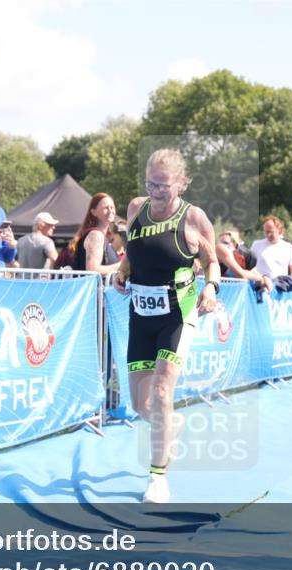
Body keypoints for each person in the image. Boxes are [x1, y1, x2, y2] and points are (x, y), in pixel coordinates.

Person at [112, 149, 219, 503]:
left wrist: (211, 287)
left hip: (178, 312)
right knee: (141, 405)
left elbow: (212, 261)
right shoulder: (135, 209)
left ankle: (158, 479)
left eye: (164, 186)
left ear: (182, 183)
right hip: (141, 315)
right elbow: (133, 251)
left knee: (161, 394)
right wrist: (121, 273)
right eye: (150, 184)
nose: (156, 192)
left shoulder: (194, 218)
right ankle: (170, 424)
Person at [70, 193, 122, 275]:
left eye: (112, 207)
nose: (110, 211)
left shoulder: (104, 238)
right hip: (94, 288)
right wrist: (123, 265)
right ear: (93, 212)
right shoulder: (95, 236)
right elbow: (92, 270)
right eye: (105, 208)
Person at [250, 216, 292, 292]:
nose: (268, 235)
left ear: (279, 231)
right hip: (260, 287)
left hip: (280, 290)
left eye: (271, 232)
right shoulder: (256, 245)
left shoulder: (288, 247)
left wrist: (291, 279)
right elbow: (249, 266)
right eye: (266, 232)